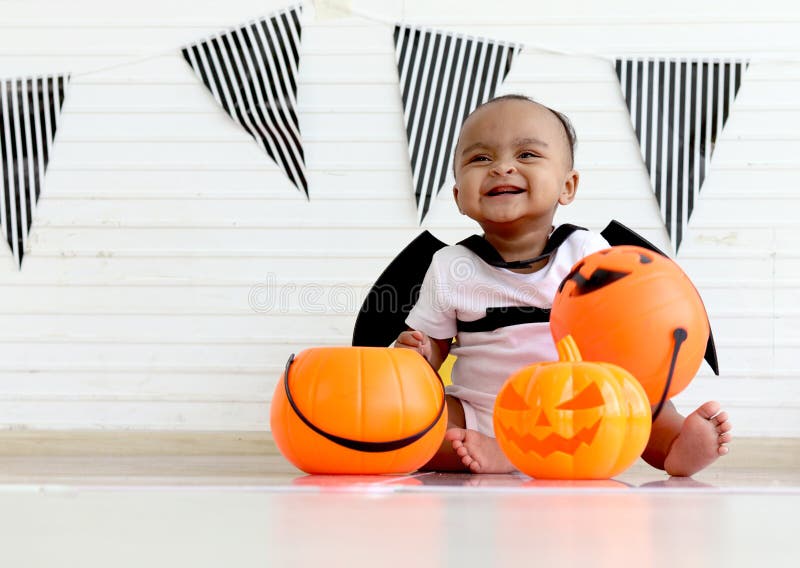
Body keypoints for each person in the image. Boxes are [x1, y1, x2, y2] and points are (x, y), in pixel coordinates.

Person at [394, 95, 732, 476]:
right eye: (480, 159)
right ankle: (507, 450)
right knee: (411, 425)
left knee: (644, 400)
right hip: (481, 411)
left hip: (578, 405)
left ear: (567, 187)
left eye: (526, 155)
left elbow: (625, 323)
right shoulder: (451, 266)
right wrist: (420, 354)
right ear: (459, 197)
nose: (502, 167)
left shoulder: (587, 253)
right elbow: (433, 348)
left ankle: (674, 444)